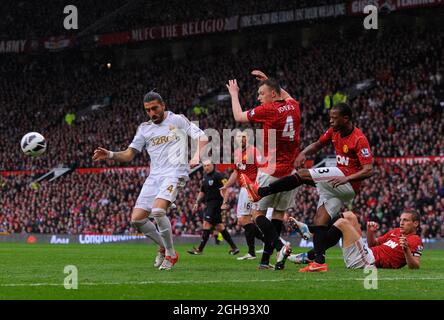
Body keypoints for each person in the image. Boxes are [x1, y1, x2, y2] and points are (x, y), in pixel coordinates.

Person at [242, 103, 374, 272]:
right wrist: (303, 153)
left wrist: (347, 178)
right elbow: (318, 144)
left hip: (347, 182)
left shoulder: (359, 139)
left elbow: (368, 170)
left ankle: (261, 191)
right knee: (321, 219)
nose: (331, 121)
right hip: (337, 185)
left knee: (303, 174)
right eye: (330, 117)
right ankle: (319, 262)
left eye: (334, 118)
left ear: (346, 118)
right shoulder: (334, 132)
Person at [92, 91, 208, 270]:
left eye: (155, 108)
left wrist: (196, 156)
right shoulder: (144, 128)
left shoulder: (177, 120)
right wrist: (110, 154)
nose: (152, 113)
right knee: (137, 219)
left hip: (175, 172)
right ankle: (163, 246)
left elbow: (202, 137)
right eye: (148, 110)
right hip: (154, 176)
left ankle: (170, 253)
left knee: (158, 211)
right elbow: (129, 154)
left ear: (163, 105)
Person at [226, 70, 301, 270]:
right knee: (277, 215)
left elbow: (238, 116)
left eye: (261, 93)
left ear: (273, 95)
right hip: (290, 173)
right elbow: (285, 95)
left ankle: (280, 246)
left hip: (270, 171)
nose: (258, 98)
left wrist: (234, 93)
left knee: (256, 215)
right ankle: (267, 260)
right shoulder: (294, 106)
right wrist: (269, 80)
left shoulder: (269, 110)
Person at [292, 211, 423, 270]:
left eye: (405, 220)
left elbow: (414, 266)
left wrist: (406, 250)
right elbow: (373, 244)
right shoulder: (396, 231)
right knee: (350, 216)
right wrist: (370, 232)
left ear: (416, 223)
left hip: (368, 262)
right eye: (401, 220)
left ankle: (311, 231)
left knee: (343, 223)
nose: (401, 223)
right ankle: (310, 252)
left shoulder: (415, 240)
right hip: (366, 253)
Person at [220, 131, 265, 260]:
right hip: (243, 188)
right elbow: (236, 172)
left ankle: (252, 252)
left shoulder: (254, 151)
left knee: (245, 219)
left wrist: (256, 186)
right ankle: (265, 241)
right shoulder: (237, 153)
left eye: (244, 137)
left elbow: (261, 169)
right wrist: (226, 185)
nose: (242, 139)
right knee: (243, 220)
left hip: (250, 187)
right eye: (239, 137)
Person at [187, 161, 239, 255]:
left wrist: (225, 202)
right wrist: (197, 202)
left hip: (215, 204)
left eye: (208, 165)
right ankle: (234, 247)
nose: (206, 167)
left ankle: (200, 249)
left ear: (213, 165)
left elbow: (226, 188)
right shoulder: (205, 178)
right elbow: (202, 191)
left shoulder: (218, 175)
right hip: (209, 204)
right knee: (220, 226)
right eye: (204, 166)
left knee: (206, 224)